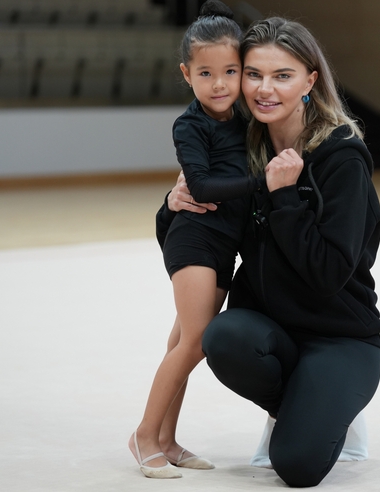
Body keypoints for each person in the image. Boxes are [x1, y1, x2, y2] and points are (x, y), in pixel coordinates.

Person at [158, 16, 380, 487]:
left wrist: (283, 197)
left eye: (282, 75)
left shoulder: (341, 159)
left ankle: (323, 406)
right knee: (221, 335)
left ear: (310, 81)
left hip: (339, 336)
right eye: (254, 74)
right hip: (269, 329)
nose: (265, 89)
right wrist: (171, 207)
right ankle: (303, 405)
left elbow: (327, 274)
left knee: (297, 467)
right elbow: (206, 235)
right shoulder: (244, 149)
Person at [128, 0, 263, 480]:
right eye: (207, 73)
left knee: (183, 341)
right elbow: (201, 187)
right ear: (187, 74)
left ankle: (167, 438)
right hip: (196, 238)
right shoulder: (190, 124)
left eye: (231, 71)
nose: (221, 84)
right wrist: (264, 181)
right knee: (197, 343)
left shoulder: (245, 120)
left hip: (223, 245)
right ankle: (144, 435)